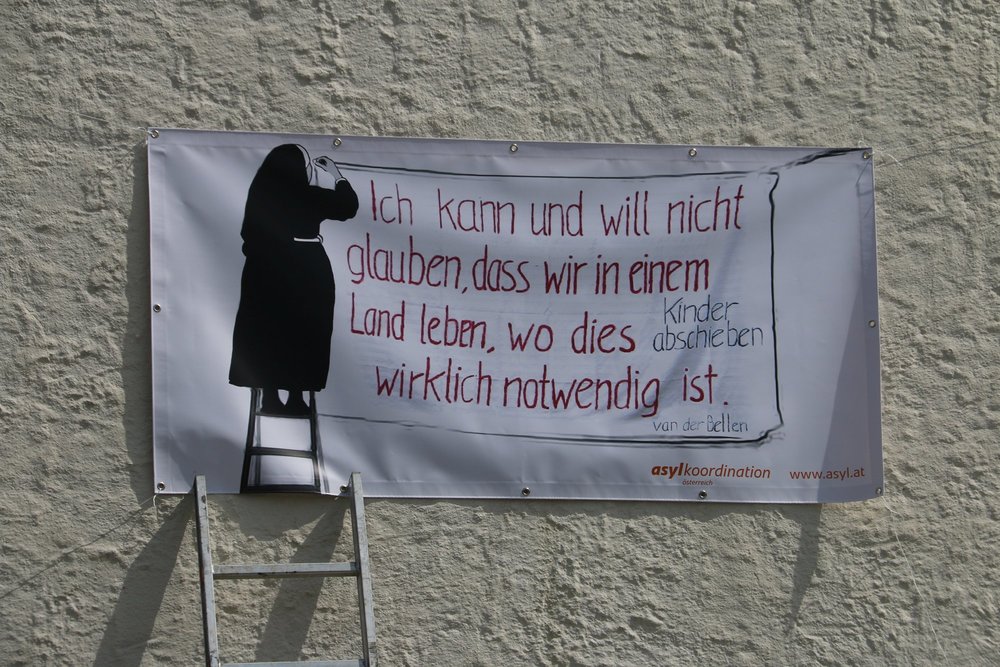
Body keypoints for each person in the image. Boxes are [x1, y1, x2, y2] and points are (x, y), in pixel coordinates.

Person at [229, 144, 359, 415]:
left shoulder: (260, 196)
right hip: (306, 269)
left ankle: (270, 397)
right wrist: (336, 175)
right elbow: (348, 206)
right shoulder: (306, 195)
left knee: (268, 331)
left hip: (263, 271)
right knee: (305, 331)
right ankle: (297, 397)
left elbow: (247, 235)